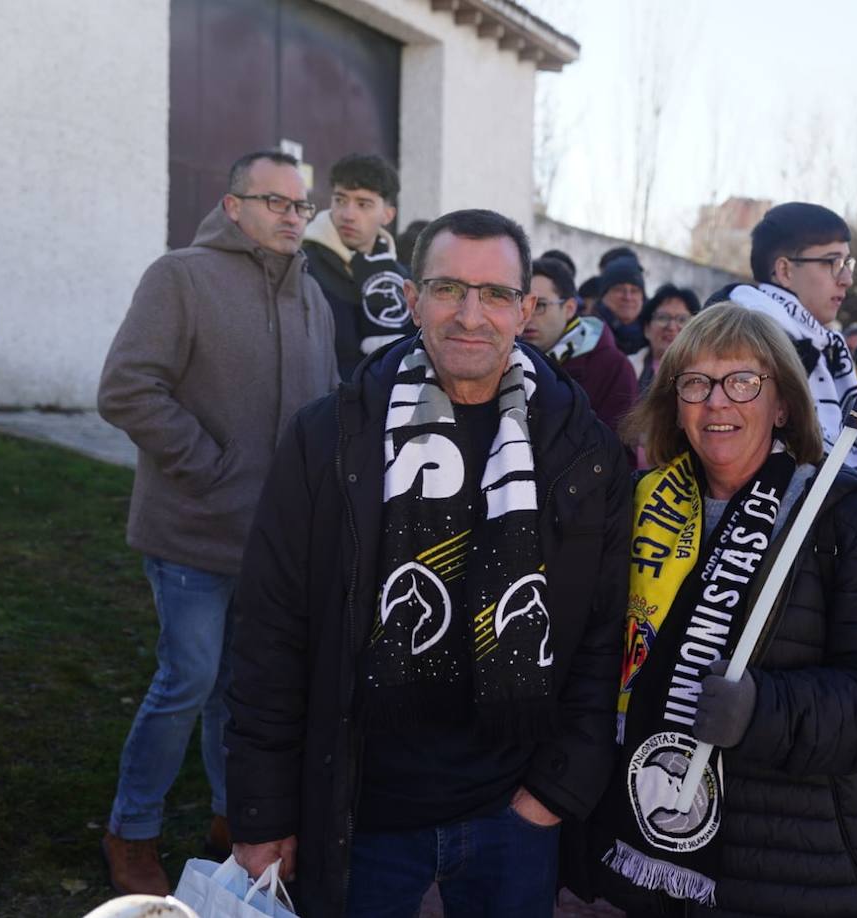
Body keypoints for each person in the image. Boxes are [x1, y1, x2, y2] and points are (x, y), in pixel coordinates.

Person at [224, 209, 631, 918]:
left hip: (512, 813)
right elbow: (269, 631)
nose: (471, 315)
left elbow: (601, 634)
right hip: (362, 808)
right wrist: (260, 813)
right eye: (448, 289)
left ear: (526, 310)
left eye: (496, 294)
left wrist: (554, 793)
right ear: (412, 299)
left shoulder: (583, 449)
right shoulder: (329, 437)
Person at [591, 303, 857, 916]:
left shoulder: (841, 521)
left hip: (789, 870)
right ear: (674, 403)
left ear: (783, 405)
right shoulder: (640, 510)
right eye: (694, 382)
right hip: (649, 855)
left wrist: (763, 710)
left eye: (743, 381)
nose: (716, 401)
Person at [96, 150, 338, 896]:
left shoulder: (313, 296)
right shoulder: (181, 277)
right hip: (191, 533)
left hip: (272, 546)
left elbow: (324, 403)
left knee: (243, 690)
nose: (294, 216)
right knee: (188, 678)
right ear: (234, 206)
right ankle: (130, 829)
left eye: (302, 206)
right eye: (277, 202)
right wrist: (210, 464)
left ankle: (234, 817)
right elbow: (127, 388)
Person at [714, 202, 857, 473]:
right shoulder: (741, 344)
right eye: (833, 262)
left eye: (848, 263)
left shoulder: (828, 348)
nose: (846, 279)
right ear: (786, 271)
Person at [303, 153, 414, 380]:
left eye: (363, 204)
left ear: (387, 214)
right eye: (340, 200)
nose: (348, 215)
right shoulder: (301, 266)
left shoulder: (402, 279)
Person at [523, 255, 639, 434]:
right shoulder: (508, 356)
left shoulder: (613, 367)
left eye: (539, 305)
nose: (527, 316)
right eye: (521, 305)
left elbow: (619, 451)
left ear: (569, 308)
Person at [627, 284, 699, 396]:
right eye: (662, 318)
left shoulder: (704, 374)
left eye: (682, 319)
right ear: (646, 329)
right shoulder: (626, 368)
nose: (671, 327)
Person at [593, 255, 648, 355]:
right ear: (604, 295)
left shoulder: (655, 338)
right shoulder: (589, 333)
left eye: (634, 291)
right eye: (619, 289)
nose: (627, 297)